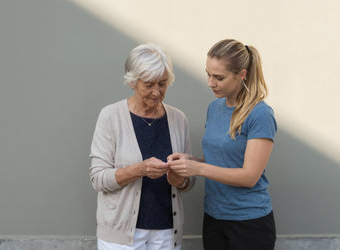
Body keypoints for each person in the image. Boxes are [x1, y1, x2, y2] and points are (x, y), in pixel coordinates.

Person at [168, 39, 277, 250]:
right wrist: (189, 161)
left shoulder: (260, 114)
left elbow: (249, 176)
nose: (211, 82)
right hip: (214, 218)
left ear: (242, 75)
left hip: (249, 224)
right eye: (208, 74)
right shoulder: (215, 108)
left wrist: (198, 168)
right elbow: (222, 160)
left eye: (219, 77)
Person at [89, 43, 195, 250]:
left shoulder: (178, 119)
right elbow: (98, 179)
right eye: (148, 84)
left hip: (166, 233)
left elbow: (189, 181)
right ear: (132, 82)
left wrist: (180, 180)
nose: (157, 92)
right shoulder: (110, 117)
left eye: (162, 84)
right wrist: (139, 169)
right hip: (120, 236)